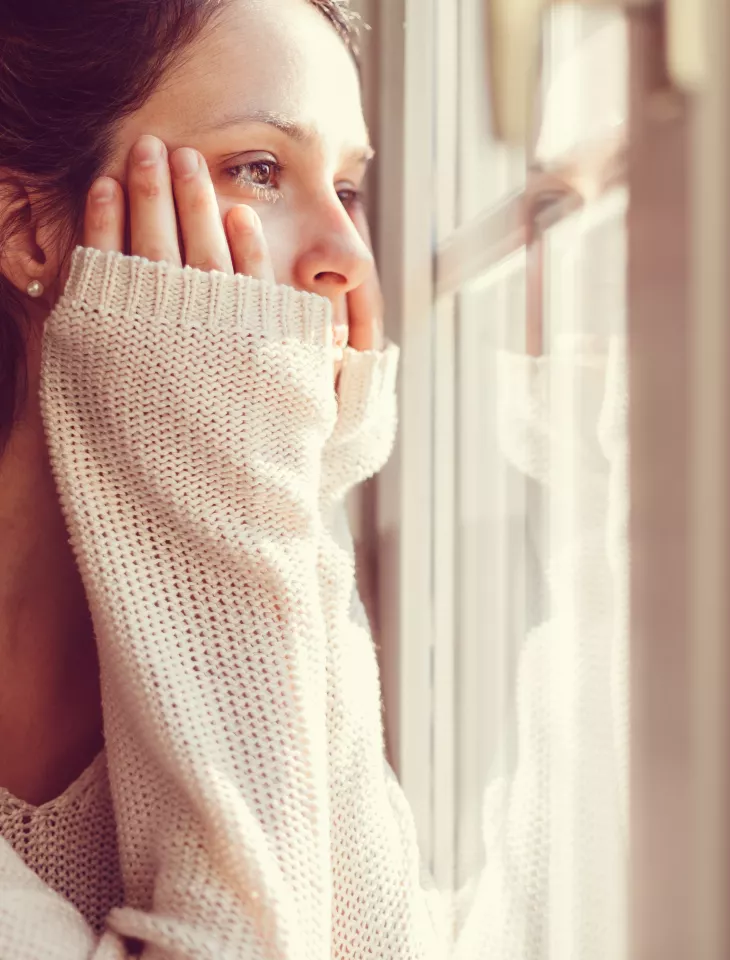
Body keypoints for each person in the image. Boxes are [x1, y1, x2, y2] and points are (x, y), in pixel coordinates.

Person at [0, 1, 443, 956]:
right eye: (259, 170)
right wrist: (235, 505)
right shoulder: (227, 553)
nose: (348, 257)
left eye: (348, 188)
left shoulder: (255, 549)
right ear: (29, 230)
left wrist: (292, 498)